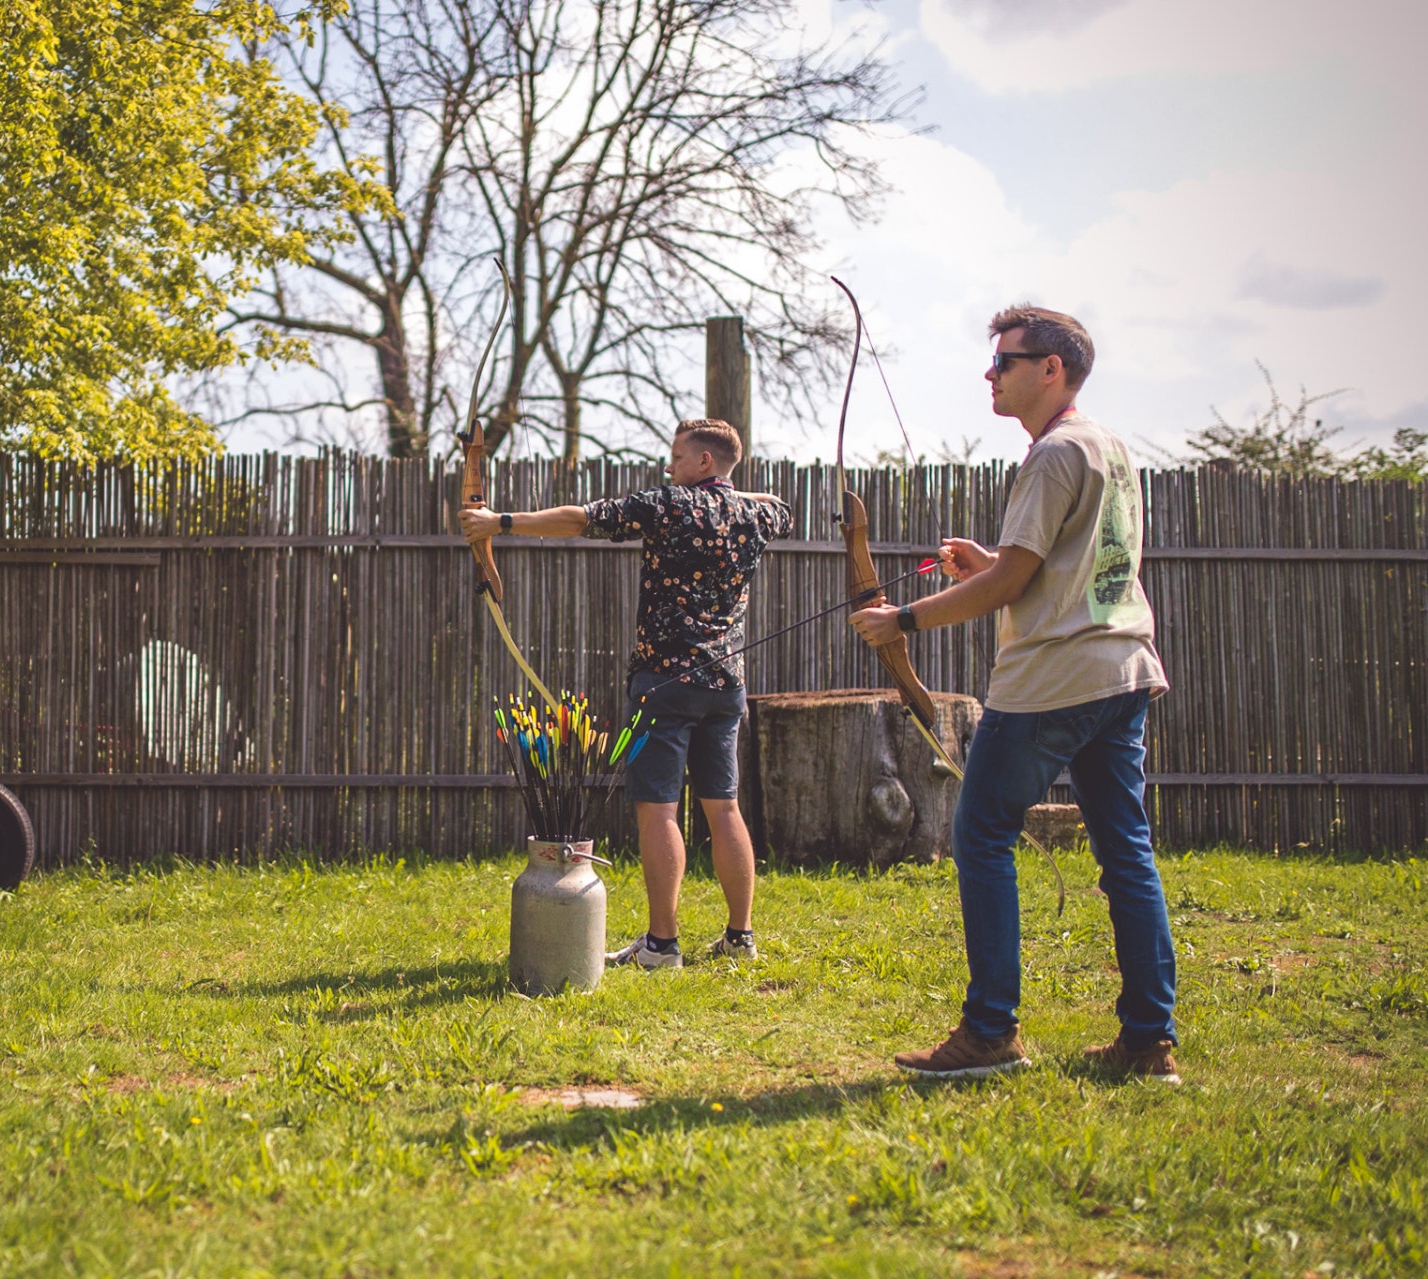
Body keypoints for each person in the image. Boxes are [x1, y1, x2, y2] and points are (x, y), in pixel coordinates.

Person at [849, 305, 1180, 1082]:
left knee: (982, 832)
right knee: (1126, 851)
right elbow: (1052, 565)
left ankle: (991, 1031)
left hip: (1055, 678)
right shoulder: (1107, 447)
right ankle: (1148, 1042)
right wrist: (990, 558)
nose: (990, 374)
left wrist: (903, 617)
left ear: (1050, 369)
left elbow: (1017, 582)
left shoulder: (1052, 455)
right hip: (1123, 668)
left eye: (1005, 361)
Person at [459, 419, 793, 968]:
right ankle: (741, 938)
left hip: (664, 681)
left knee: (659, 810)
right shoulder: (758, 513)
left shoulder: (668, 504)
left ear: (704, 463)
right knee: (724, 806)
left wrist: (501, 521)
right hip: (726, 684)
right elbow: (776, 501)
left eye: (678, 457)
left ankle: (662, 946)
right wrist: (729, 493)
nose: (669, 467)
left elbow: (582, 519)